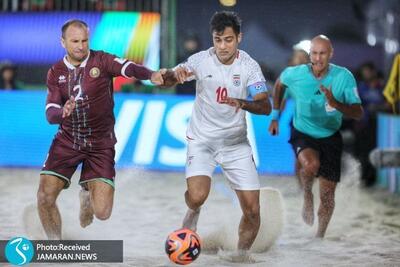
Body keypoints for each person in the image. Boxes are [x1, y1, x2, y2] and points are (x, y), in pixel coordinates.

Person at [37, 19, 165, 240]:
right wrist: (62, 112)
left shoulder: (102, 60)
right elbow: (50, 113)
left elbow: (129, 67)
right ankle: (55, 246)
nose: (80, 46)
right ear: (63, 42)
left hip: (100, 144)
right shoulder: (55, 72)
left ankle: (86, 195)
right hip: (68, 140)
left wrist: (151, 75)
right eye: (75, 41)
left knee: (103, 213)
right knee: (44, 197)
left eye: (85, 40)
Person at [173, 11, 271, 262]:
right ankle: (193, 211)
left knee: (252, 211)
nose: (222, 46)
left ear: (239, 38)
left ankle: (240, 255)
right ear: (212, 39)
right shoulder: (200, 60)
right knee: (197, 196)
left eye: (228, 40)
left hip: (235, 144)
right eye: (218, 40)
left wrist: (242, 102)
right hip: (202, 141)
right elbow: (173, 75)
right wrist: (169, 75)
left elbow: (265, 106)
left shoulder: (249, 65)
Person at [269, 35, 363, 238]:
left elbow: (358, 112)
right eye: (315, 53)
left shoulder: (343, 77)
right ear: (309, 54)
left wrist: (336, 103)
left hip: (330, 135)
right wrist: (275, 116)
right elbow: (279, 84)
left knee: (328, 195)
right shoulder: (295, 73)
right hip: (303, 130)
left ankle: (320, 235)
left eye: (323, 53)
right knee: (310, 165)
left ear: (331, 54)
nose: (318, 58)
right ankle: (306, 194)